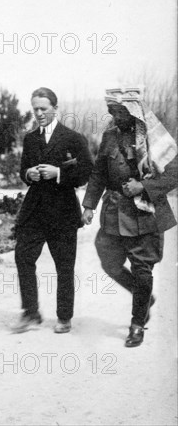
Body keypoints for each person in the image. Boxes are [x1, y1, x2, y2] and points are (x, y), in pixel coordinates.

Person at [82, 87, 177, 347]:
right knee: (109, 261)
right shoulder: (109, 136)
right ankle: (143, 296)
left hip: (145, 214)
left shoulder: (154, 135)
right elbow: (99, 173)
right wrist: (89, 205)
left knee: (142, 269)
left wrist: (143, 187)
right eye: (112, 110)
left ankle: (137, 323)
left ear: (134, 110)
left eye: (121, 111)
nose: (116, 115)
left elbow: (174, 173)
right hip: (114, 212)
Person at [13, 87, 93, 334]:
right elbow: (23, 170)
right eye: (35, 109)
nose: (38, 113)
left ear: (55, 109)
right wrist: (30, 173)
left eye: (43, 109)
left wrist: (59, 173)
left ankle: (64, 317)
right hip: (35, 210)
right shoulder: (30, 138)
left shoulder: (73, 138)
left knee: (64, 266)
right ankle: (31, 312)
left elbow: (86, 172)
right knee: (23, 257)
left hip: (63, 212)